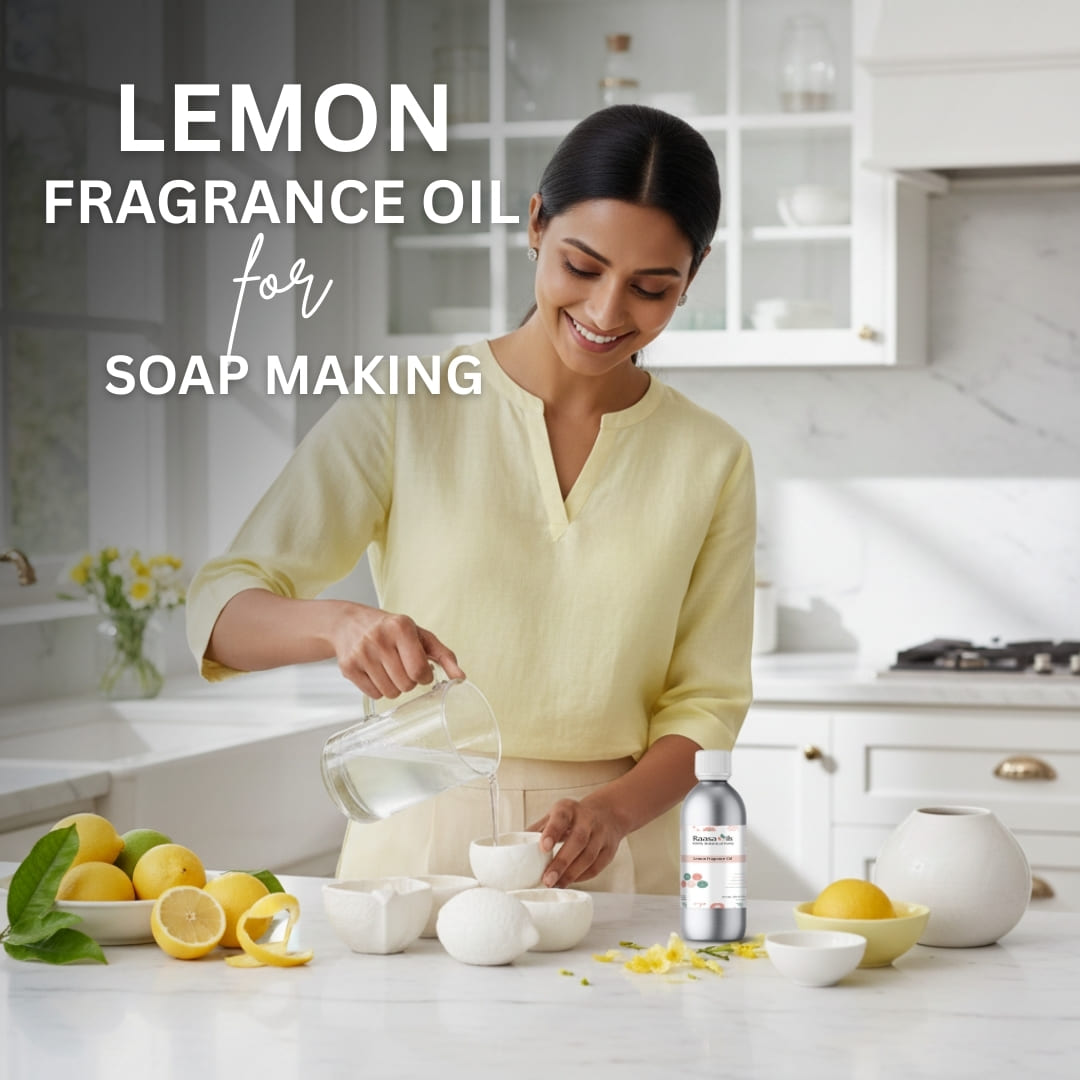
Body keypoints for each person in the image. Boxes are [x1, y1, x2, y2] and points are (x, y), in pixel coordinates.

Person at [186, 104, 756, 895]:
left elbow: (708, 702)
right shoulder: (406, 404)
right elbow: (218, 608)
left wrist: (615, 813)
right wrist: (339, 623)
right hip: (417, 846)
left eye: (650, 289)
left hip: (614, 854)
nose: (605, 313)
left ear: (689, 279)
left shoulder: (712, 457)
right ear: (535, 225)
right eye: (581, 267)